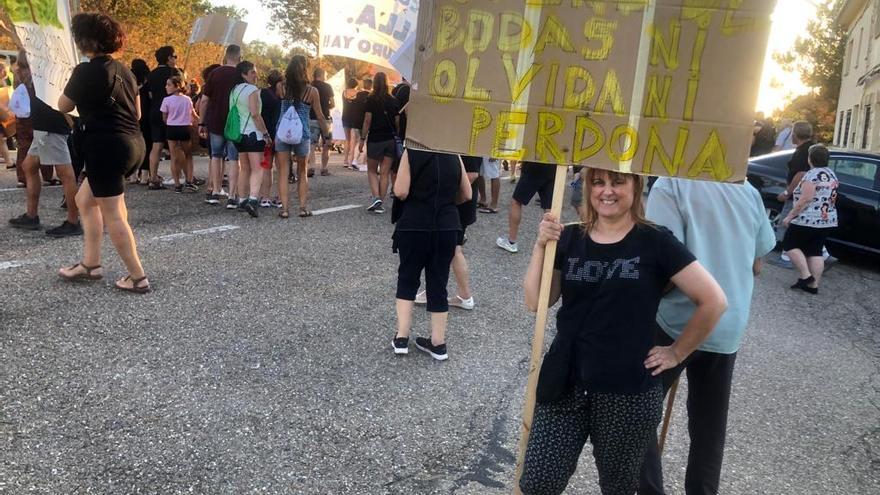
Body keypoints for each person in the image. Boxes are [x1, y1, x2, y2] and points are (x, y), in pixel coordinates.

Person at [518, 168, 727, 495]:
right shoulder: (570, 237)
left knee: (618, 487)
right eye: (598, 182)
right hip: (564, 381)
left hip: (627, 393)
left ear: (636, 186)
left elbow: (714, 300)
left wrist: (677, 352)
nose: (607, 191)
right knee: (537, 483)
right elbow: (536, 302)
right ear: (588, 188)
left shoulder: (656, 241)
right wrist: (540, 245)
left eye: (617, 181)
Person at [638, 176, 777, 495]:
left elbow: (662, 264)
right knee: (708, 431)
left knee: (636, 410)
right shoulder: (749, 190)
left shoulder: (670, 185)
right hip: (728, 324)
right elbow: (757, 263)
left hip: (677, 323)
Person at [57, 12, 149, 293]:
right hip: (133, 143)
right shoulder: (126, 71)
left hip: (105, 146)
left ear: (85, 40)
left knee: (113, 213)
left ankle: (138, 277)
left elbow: (62, 105)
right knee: (84, 199)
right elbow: (138, 112)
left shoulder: (85, 71)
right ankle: (91, 263)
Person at [391, 149, 472, 360]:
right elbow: (467, 194)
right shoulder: (454, 153)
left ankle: (401, 338)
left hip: (414, 223)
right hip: (447, 225)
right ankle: (438, 343)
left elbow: (400, 191)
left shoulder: (412, 151)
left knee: (407, 279)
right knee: (438, 282)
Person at [7, 52, 81, 237]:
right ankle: (32, 215)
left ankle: (73, 221)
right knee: (29, 165)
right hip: (44, 126)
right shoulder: (41, 73)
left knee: (66, 174)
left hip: (50, 126)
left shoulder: (45, 73)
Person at [415, 154, 480, 310]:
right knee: (450, 249)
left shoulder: (468, 142)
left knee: (454, 249)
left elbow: (471, 175)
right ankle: (442, 292)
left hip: (457, 205)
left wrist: (445, 198)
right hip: (454, 205)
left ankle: (464, 295)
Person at [275, 55, 330, 218]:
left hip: (283, 132)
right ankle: (302, 208)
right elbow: (320, 115)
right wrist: (326, 133)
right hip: (303, 133)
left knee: (283, 172)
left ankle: (284, 209)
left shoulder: (281, 87)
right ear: (305, 69)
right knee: (302, 171)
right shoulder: (312, 91)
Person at [781, 144, 838, 294]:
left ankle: (806, 277)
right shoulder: (831, 174)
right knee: (815, 251)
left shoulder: (811, 175)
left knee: (789, 245)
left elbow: (806, 198)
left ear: (810, 158)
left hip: (808, 219)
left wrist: (790, 216)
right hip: (827, 220)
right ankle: (814, 286)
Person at [198, 45, 242, 206]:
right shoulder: (240, 75)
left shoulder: (215, 73)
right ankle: (232, 196)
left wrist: (201, 122)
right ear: (239, 56)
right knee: (234, 159)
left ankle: (215, 191)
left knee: (216, 156)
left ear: (225, 56)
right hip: (235, 123)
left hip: (215, 121)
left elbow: (204, 100)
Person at [228, 61, 273, 217]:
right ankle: (253, 199)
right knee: (257, 168)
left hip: (238, 135)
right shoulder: (252, 90)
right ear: (244, 74)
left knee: (244, 168)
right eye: (252, 72)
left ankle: (242, 199)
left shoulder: (234, 90)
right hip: (253, 134)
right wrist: (266, 133)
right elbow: (255, 114)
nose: (255, 75)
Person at [359, 71, 400, 214]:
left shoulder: (371, 99)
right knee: (385, 172)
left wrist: (362, 138)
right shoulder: (393, 100)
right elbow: (397, 122)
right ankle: (380, 202)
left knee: (371, 170)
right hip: (390, 139)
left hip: (375, 139)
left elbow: (367, 121)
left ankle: (376, 197)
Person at [496, 161, 557, 253]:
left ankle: (511, 241)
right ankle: (550, 244)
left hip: (535, 164)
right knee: (549, 207)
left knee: (516, 201)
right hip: (553, 165)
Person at [145, 45, 182, 189]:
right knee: (175, 146)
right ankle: (177, 178)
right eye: (175, 56)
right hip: (173, 113)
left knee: (156, 146)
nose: (175, 59)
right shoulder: (174, 72)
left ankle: (153, 178)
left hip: (155, 110)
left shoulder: (151, 74)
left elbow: (150, 95)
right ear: (169, 58)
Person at [775, 121, 814, 247]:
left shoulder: (801, 152)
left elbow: (800, 174)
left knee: (786, 221)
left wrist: (787, 192)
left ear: (795, 134)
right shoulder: (813, 148)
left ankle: (783, 249)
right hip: (810, 194)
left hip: (797, 195)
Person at [160, 75, 198, 193]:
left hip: (172, 128)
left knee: (174, 157)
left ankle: (177, 185)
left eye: (169, 84)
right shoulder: (187, 99)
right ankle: (189, 180)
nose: (166, 87)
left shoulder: (166, 100)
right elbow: (193, 115)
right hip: (185, 128)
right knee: (188, 155)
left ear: (177, 86)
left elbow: (164, 117)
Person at [258, 69, 283, 208]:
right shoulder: (283, 96)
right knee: (281, 168)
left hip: (267, 135)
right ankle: (280, 197)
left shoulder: (262, 93)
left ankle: (265, 197)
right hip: (282, 136)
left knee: (267, 167)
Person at [8, 52, 32, 186]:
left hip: (20, 112)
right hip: (34, 111)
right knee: (39, 143)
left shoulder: (16, 73)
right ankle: (47, 174)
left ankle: (22, 176)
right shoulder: (33, 73)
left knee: (23, 146)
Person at [308, 67, 334, 177]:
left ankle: (311, 167)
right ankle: (324, 168)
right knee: (327, 143)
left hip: (312, 118)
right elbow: (333, 103)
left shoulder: (309, 86)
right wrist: (327, 106)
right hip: (326, 119)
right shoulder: (328, 87)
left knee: (311, 145)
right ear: (322, 75)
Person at [129, 58, 151, 185]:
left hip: (132, 116)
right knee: (147, 146)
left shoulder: (129, 78)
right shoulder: (148, 79)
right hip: (146, 115)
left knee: (134, 146)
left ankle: (132, 176)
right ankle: (144, 176)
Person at [341, 77, 362, 169]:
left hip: (345, 116)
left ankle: (345, 161)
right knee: (354, 140)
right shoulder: (358, 93)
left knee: (347, 140)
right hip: (355, 117)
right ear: (356, 84)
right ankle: (351, 160)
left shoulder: (344, 92)